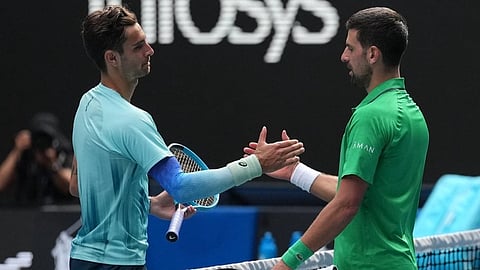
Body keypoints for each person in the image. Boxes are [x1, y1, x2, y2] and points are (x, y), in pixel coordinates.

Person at [69, 5, 304, 270]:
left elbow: (78, 186)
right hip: (117, 264)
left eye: (145, 41)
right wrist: (256, 164)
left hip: (83, 260)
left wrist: (150, 204)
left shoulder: (86, 105)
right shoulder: (132, 120)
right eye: (138, 47)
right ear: (112, 58)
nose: (150, 51)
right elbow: (180, 187)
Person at [245, 7, 429, 270]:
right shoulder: (412, 114)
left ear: (373, 54)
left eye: (350, 48)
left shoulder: (371, 116)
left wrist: (287, 263)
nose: (344, 56)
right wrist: (295, 172)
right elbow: (359, 196)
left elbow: (347, 204)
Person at [0, 112, 75, 206]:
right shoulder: (26, 155)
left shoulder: (63, 153)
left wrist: (52, 165)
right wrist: (16, 151)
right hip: (26, 213)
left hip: (60, 213)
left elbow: (71, 186)